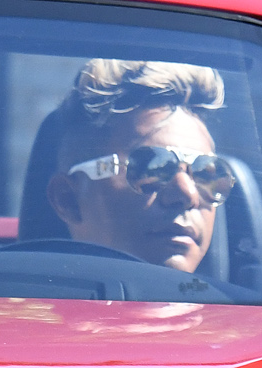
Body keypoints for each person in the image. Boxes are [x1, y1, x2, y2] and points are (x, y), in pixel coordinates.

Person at [37, 59, 238, 276]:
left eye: (206, 173)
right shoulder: (6, 306)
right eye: (150, 168)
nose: (187, 194)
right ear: (68, 200)